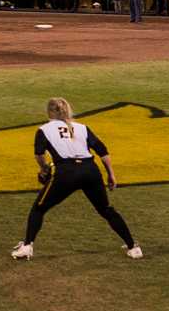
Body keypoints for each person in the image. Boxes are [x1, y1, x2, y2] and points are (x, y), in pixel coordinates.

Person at [11, 97, 142, 261]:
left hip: (66, 172)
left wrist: (44, 168)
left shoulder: (44, 129)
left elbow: (39, 154)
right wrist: (111, 174)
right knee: (106, 210)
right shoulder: (82, 127)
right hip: (90, 171)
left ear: (50, 112)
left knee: (39, 209)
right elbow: (102, 151)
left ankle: (27, 246)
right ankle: (133, 247)